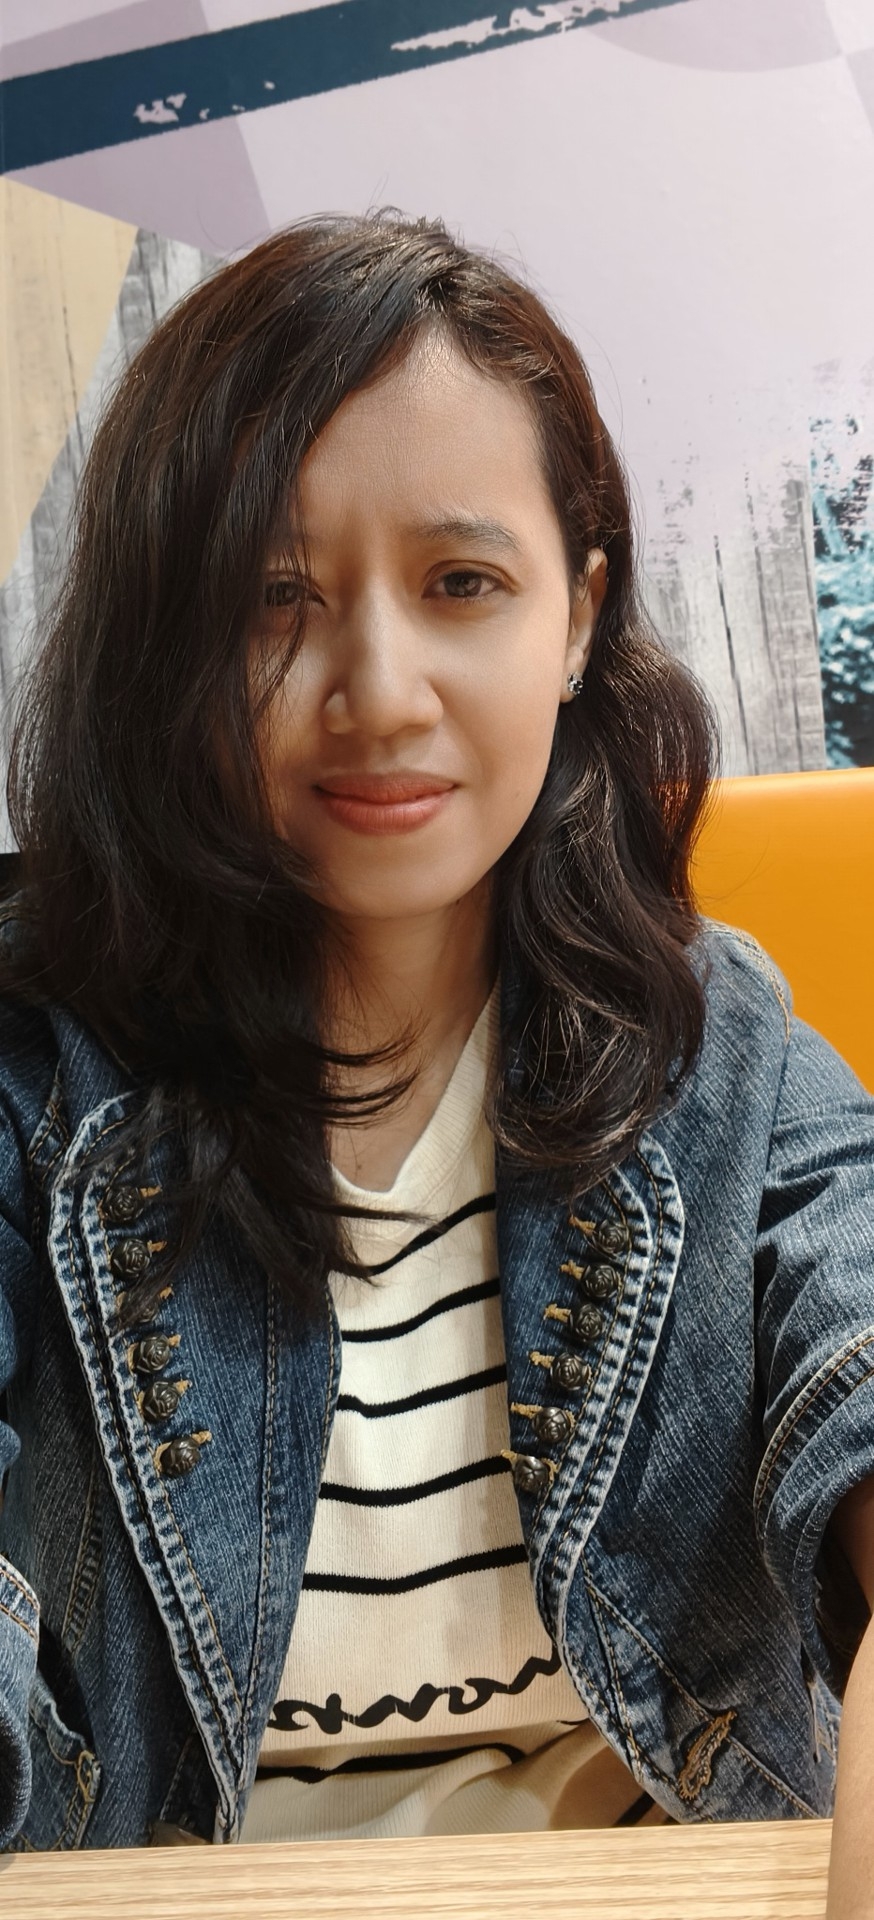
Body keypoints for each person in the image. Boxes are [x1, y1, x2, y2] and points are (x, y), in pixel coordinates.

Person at [0, 213, 872, 1905]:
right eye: (273, 597)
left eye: (461, 583)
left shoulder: (719, 1049)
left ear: (576, 615)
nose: (380, 690)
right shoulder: (36, 1078)